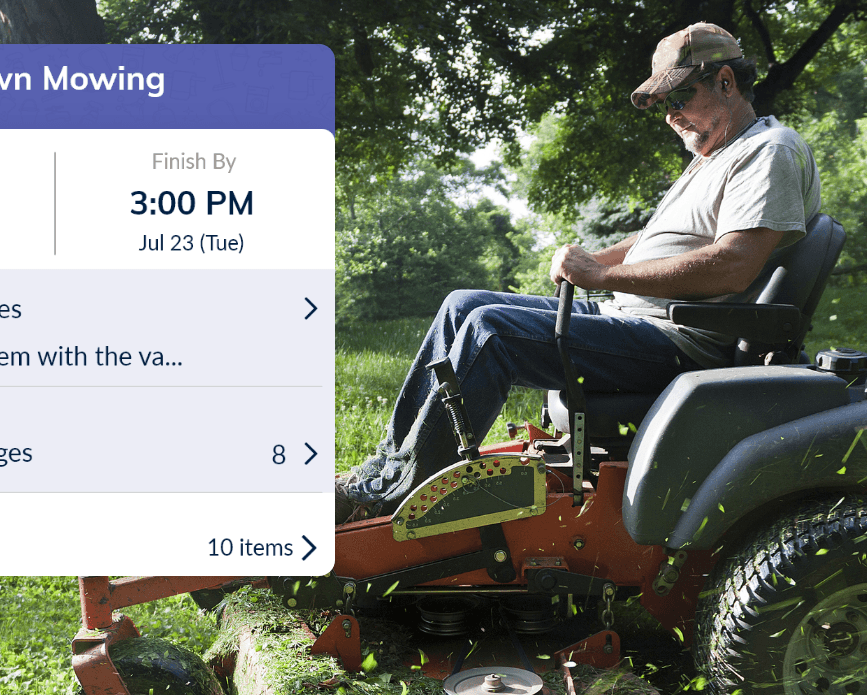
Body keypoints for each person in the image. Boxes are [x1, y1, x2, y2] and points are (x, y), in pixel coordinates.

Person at [336, 22, 822, 524]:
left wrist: (602, 278)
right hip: (636, 321)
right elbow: (660, 239)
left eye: (680, 95)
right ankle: (387, 464)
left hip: (680, 340)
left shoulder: (769, 150)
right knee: (464, 304)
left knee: (492, 331)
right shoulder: (713, 157)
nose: (671, 114)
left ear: (726, 81)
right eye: (663, 103)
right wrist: (597, 260)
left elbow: (733, 265)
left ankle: (390, 494)